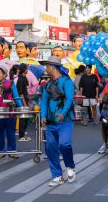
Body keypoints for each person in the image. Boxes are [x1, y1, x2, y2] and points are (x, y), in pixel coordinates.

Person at [40, 56, 76, 187]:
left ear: (52, 67)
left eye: (47, 66)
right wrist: (43, 116)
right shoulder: (47, 85)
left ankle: (70, 166)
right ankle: (57, 176)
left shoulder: (67, 81)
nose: (46, 68)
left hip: (65, 120)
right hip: (51, 122)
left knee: (64, 144)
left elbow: (69, 98)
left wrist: (63, 113)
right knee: (50, 149)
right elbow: (44, 102)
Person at [0, 66, 22, 158]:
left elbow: (16, 96)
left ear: (4, 75)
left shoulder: (11, 84)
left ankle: (12, 150)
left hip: (10, 112)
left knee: (11, 132)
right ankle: (0, 151)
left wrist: (22, 107)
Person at [16, 63, 31, 142]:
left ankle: (23, 134)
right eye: (26, 68)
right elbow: (21, 93)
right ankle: (21, 136)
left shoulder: (24, 78)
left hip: (25, 99)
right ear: (24, 70)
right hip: (22, 101)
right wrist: (24, 104)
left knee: (25, 119)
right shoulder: (20, 80)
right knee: (23, 118)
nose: (27, 70)